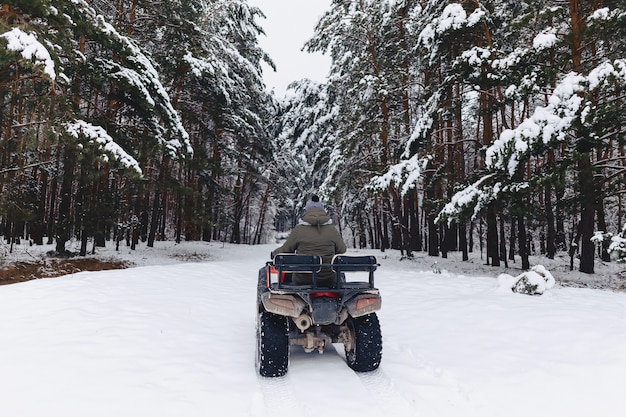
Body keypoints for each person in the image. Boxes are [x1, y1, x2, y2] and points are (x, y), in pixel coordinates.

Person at [271, 195, 347, 287]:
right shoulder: (332, 230)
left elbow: (286, 250)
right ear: (323, 211)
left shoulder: (299, 230)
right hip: (329, 279)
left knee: (288, 270)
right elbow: (342, 249)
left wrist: (274, 253)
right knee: (337, 270)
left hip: (302, 280)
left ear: (306, 211)